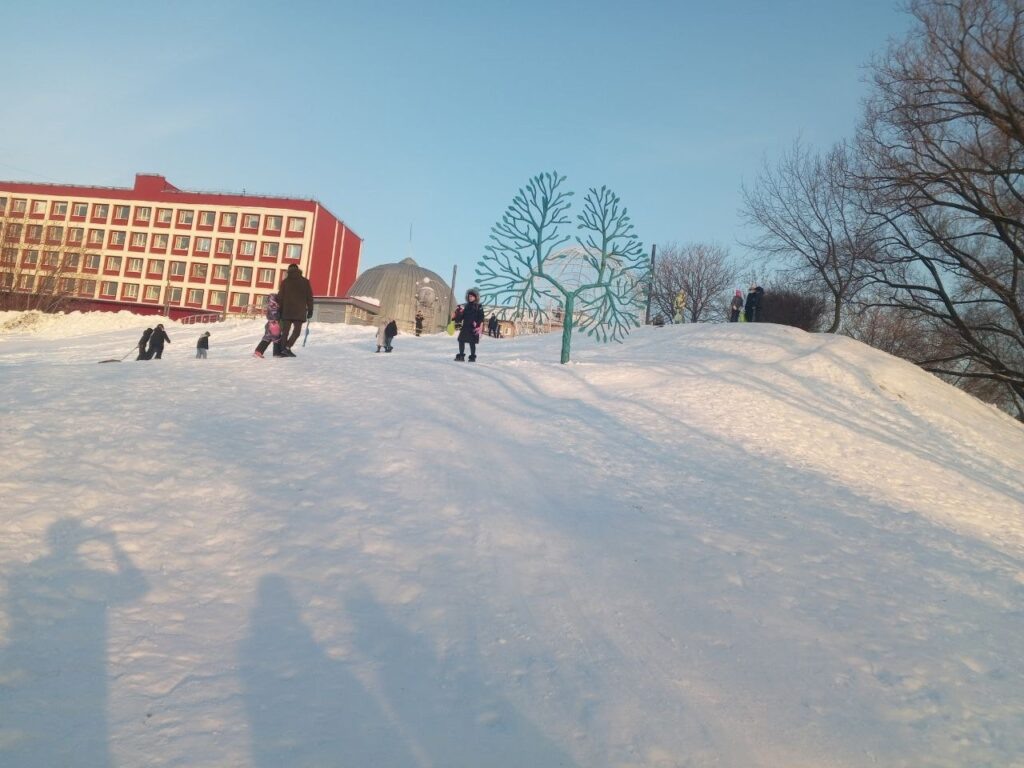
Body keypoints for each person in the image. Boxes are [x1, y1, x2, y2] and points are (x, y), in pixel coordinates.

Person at [277, 263, 314, 357]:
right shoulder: (305, 281)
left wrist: (279, 310)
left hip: (287, 311)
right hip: (299, 311)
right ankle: (287, 347)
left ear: (289, 271)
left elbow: (280, 297)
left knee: (285, 332)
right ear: (298, 270)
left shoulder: (285, 282)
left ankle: (282, 350)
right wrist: (310, 310)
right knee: (296, 331)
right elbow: (309, 297)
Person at [452, 288, 484, 361]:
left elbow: (481, 317)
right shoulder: (466, 306)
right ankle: (461, 356)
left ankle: (472, 357)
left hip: (473, 327)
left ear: (475, 297)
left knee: (472, 343)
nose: (470, 298)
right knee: (461, 340)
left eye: (472, 296)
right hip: (465, 327)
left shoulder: (479, 306)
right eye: (469, 296)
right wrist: (458, 313)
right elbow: (460, 318)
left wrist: (477, 324)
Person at [254, 293, 283, 358]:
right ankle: (277, 353)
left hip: (269, 324)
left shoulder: (270, 306)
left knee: (267, 338)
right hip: (274, 324)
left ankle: (258, 351)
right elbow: (275, 315)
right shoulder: (274, 307)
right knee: (277, 338)